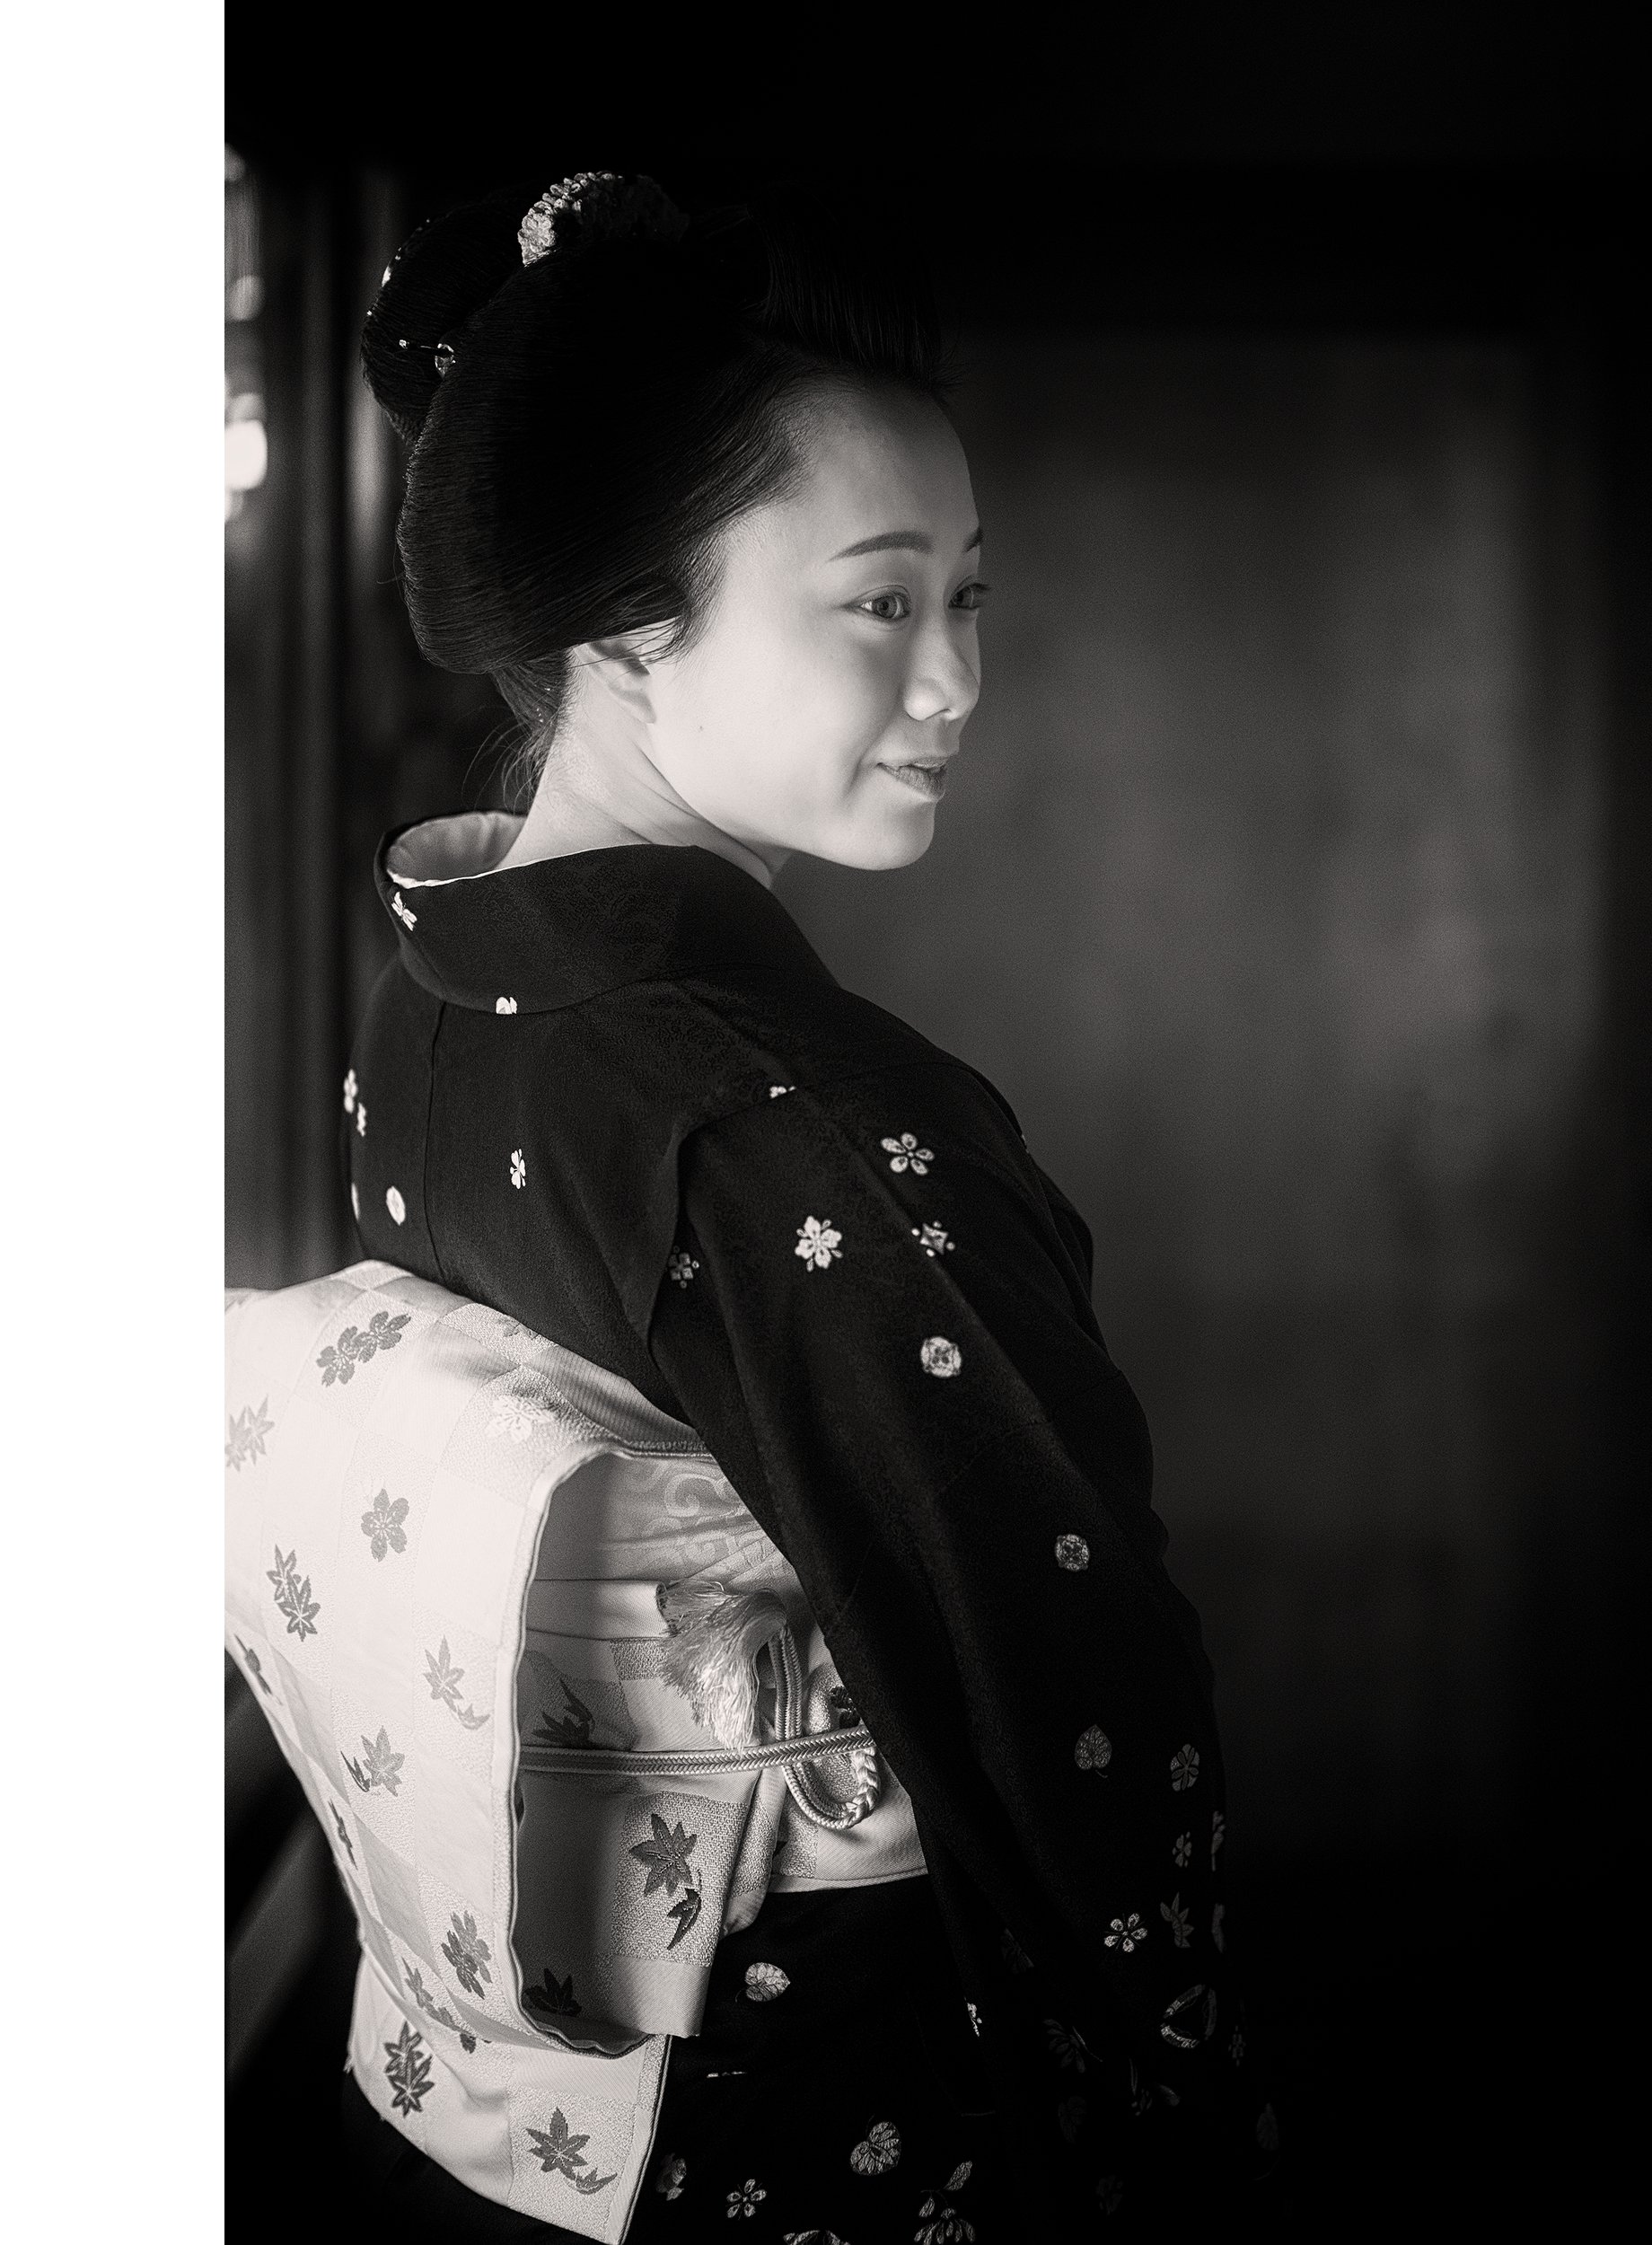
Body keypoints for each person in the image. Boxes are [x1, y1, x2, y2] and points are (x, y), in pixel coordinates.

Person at [338, 171, 1278, 2241]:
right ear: (622, 619)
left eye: (969, 597)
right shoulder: (786, 1121)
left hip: (521, 2109)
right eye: (878, 603)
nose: (955, 679)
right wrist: (1178, 2098)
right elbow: (1068, 1701)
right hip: (825, 2108)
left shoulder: (438, 999)